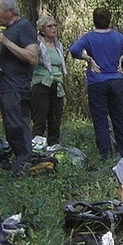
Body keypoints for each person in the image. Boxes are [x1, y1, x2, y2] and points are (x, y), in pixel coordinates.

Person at [68, 8, 123, 159]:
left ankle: (105, 153)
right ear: (110, 20)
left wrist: (89, 59)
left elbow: (74, 50)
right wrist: (121, 58)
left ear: (93, 20)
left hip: (97, 82)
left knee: (100, 118)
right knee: (119, 118)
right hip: (116, 81)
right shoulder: (117, 37)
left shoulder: (89, 37)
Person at [0, 0, 38, 171]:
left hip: (18, 88)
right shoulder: (9, 30)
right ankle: (20, 161)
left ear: (10, 11)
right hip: (6, 88)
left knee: (18, 125)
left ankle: (26, 161)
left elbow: (32, 57)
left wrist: (6, 42)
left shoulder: (24, 27)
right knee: (11, 127)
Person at [30, 15, 68, 152]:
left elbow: (59, 65)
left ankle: (54, 145)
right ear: (42, 30)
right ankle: (36, 146)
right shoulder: (37, 46)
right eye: (49, 26)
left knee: (55, 117)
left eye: (55, 26)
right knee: (40, 117)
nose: (53, 28)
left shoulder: (58, 46)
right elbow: (31, 62)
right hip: (41, 83)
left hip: (56, 84)